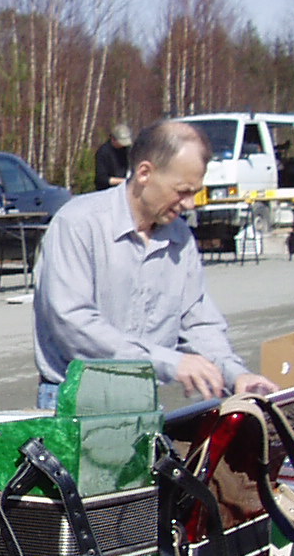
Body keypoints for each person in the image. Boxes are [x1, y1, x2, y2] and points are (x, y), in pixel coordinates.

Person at [32, 119, 280, 409]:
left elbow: (198, 323)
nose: (190, 204)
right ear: (144, 173)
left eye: (195, 192)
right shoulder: (77, 224)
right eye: (183, 191)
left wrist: (236, 375)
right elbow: (73, 325)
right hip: (74, 402)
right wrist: (169, 362)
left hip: (142, 402)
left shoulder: (180, 238)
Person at [94, 123, 133, 190]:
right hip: (106, 190)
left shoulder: (126, 150)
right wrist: (124, 181)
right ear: (113, 139)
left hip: (122, 188)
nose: (123, 145)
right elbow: (102, 179)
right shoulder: (103, 152)